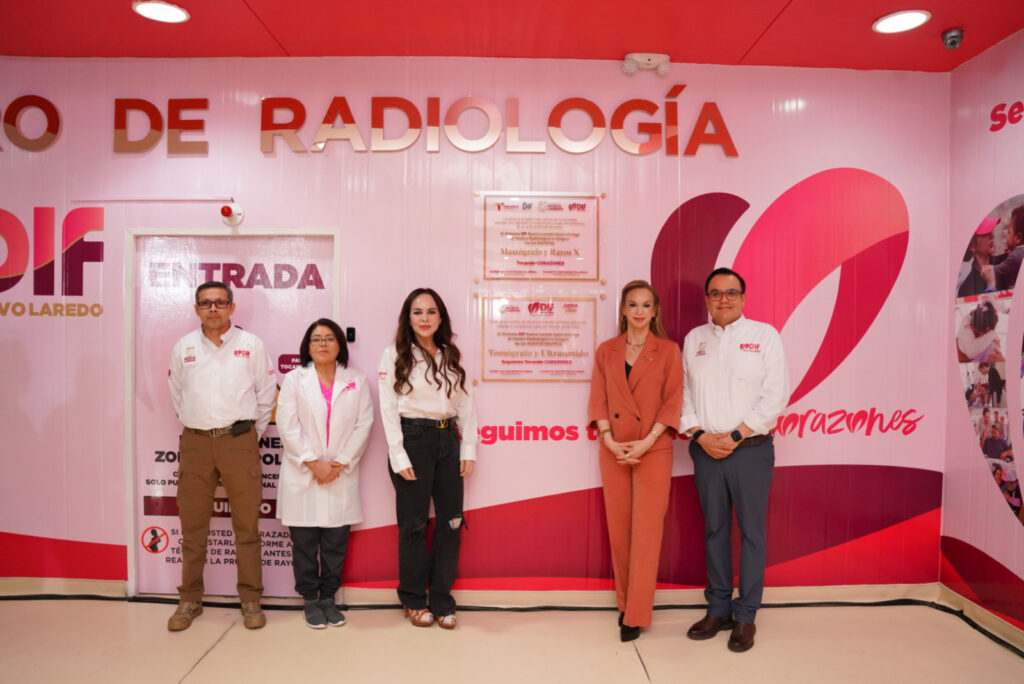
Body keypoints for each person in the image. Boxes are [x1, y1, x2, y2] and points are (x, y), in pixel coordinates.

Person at [680, 267, 790, 653]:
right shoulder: (694, 339)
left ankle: (746, 616)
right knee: (714, 531)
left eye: (731, 292)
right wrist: (699, 434)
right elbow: (683, 393)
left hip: (751, 451)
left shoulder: (765, 336)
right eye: (715, 293)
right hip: (706, 451)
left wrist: (737, 435)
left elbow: (776, 394)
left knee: (751, 534)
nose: (723, 299)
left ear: (743, 297)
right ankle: (718, 609)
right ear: (707, 299)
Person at [167, 281, 276, 631]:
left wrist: (250, 436)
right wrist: (197, 424)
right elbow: (177, 394)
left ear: (232, 306)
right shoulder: (184, 347)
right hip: (196, 443)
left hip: (238, 441)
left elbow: (266, 396)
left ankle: (251, 598)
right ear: (196, 309)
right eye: (205, 303)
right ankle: (189, 599)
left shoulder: (251, 345)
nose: (213, 309)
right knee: (193, 527)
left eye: (220, 302)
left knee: (247, 526)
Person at [587, 280, 682, 642]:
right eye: (633, 305)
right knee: (620, 530)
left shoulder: (668, 350)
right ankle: (625, 604)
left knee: (646, 531)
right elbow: (598, 399)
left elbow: (672, 401)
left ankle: (637, 614)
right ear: (623, 310)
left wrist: (648, 441)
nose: (639, 311)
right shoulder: (606, 350)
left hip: (652, 448)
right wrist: (609, 439)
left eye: (646, 305)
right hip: (614, 448)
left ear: (655, 311)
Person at [378, 288, 477, 630]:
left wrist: (468, 448)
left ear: (440, 317)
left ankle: (442, 600)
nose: (425, 318)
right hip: (413, 440)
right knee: (414, 526)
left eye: (431, 312)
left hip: (448, 440)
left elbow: (466, 403)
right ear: (408, 318)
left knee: (451, 524)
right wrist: (398, 454)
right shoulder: (394, 355)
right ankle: (413, 599)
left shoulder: (451, 354)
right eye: (417, 312)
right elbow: (388, 407)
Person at [276, 318, 373, 629]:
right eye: (316, 339)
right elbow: (287, 425)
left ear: (339, 345)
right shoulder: (294, 380)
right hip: (304, 471)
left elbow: (364, 425)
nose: (322, 344)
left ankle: (328, 598)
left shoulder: (357, 380)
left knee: (334, 543)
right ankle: (310, 599)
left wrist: (340, 462)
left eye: (329, 338)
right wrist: (312, 462)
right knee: (304, 543)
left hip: (339, 473)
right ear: (307, 346)